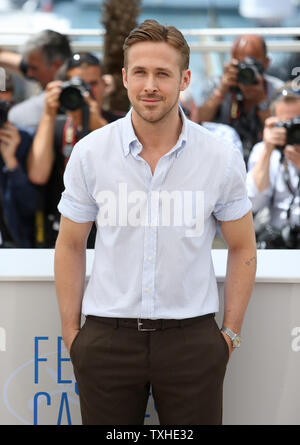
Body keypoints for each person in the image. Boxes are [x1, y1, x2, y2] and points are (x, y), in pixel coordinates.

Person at [55, 20, 257, 425]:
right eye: (141, 72)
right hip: (106, 339)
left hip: (192, 341)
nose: (151, 85)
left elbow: (243, 247)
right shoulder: (90, 153)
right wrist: (72, 336)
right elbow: (71, 244)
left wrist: (229, 335)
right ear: (125, 77)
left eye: (162, 74)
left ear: (184, 79)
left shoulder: (219, 157)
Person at [27, 52, 119, 248]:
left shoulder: (119, 125)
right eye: (78, 85)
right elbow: (38, 174)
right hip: (64, 236)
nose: (86, 93)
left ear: (105, 85)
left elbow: (127, 171)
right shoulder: (56, 126)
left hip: (111, 236)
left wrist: (98, 126)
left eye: (92, 84)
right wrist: (48, 114)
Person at [197, 34, 283, 163]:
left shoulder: (277, 90)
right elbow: (198, 122)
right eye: (241, 64)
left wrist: (262, 101)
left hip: (265, 161)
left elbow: (281, 133)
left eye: (253, 65)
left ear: (266, 63)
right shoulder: (216, 85)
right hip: (221, 159)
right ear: (231, 61)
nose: (247, 71)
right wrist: (221, 92)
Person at [247, 83, 300, 248]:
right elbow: (251, 204)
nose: (294, 130)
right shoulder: (263, 150)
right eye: (286, 124)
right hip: (277, 243)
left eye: (298, 122)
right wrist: (268, 150)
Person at [0, 29, 72, 131]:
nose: (29, 73)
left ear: (56, 66)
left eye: (34, 68)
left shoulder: (18, 115)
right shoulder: (46, 67)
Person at [0, 73, 37, 247]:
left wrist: (12, 163)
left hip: (14, 250)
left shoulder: (23, 139)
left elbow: (31, 207)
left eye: (3, 106)